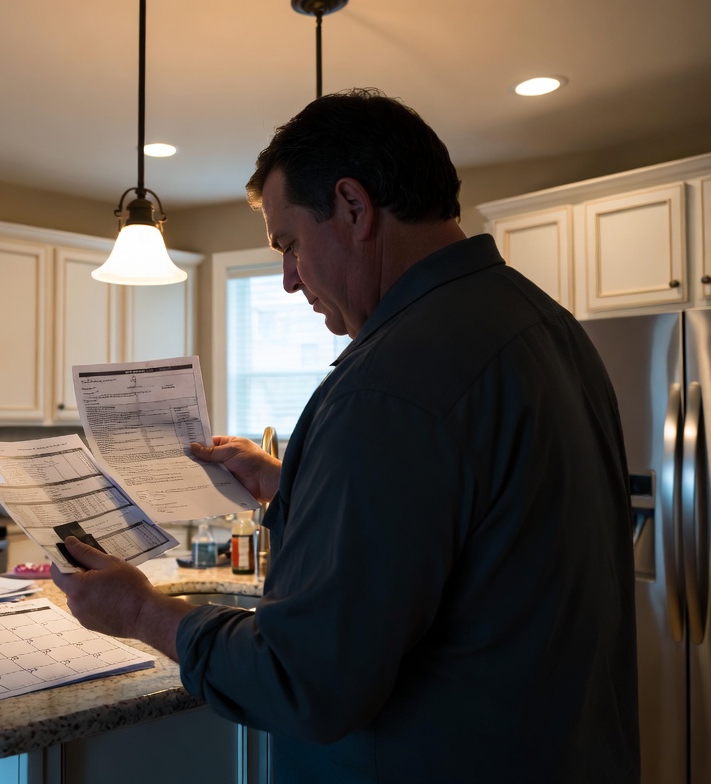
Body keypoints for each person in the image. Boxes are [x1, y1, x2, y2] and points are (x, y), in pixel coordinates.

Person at [53, 88, 640, 783]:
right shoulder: (547, 328)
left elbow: (302, 680)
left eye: (290, 244)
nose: (288, 280)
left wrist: (141, 610)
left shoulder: (385, 386)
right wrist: (289, 482)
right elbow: (468, 530)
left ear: (355, 208)